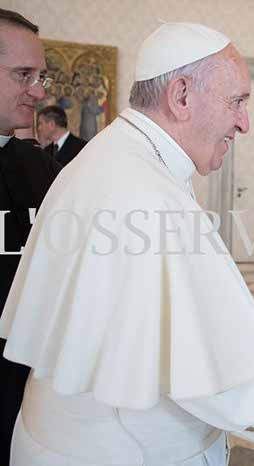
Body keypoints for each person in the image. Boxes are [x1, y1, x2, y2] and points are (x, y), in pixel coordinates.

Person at [0, 21, 254, 465]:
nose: (244, 122)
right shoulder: (144, 191)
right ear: (182, 95)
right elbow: (220, 383)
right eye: (237, 101)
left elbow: (184, 314)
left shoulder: (122, 158)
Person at [0, 8, 62, 465]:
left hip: (23, 385)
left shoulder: (35, 165)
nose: (39, 92)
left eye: (40, 76)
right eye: (24, 75)